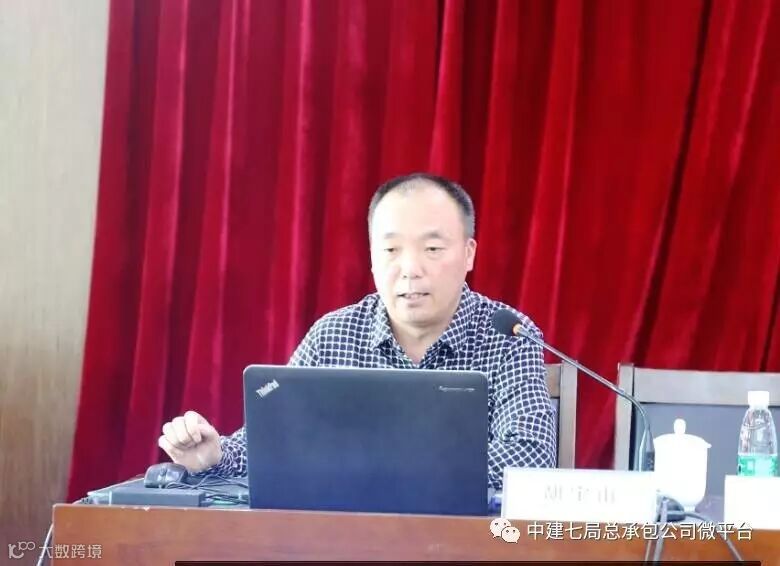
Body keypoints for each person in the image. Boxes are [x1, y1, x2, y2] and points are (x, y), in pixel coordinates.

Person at [158, 173, 557, 489]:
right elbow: (270, 443)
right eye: (391, 250)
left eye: (432, 249)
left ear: (468, 254)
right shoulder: (334, 335)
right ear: (372, 258)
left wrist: (373, 466)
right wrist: (213, 457)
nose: (410, 268)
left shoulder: (508, 335)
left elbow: (530, 457)